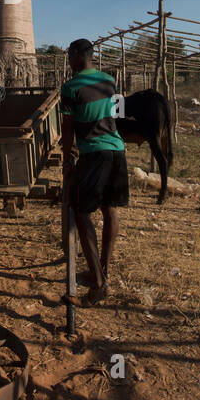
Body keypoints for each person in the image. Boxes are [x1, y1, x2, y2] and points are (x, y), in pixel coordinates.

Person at [60, 38, 128, 305]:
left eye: (69, 55)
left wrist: (67, 158)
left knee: (81, 211)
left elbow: (67, 127)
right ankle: (103, 270)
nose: (68, 60)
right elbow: (119, 113)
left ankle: (98, 285)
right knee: (110, 209)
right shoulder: (109, 81)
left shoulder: (71, 87)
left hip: (94, 153)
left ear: (78, 55)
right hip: (117, 149)